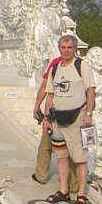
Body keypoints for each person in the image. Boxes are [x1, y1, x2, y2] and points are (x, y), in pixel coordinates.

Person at [42, 34, 96, 204]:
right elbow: (50, 95)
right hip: (58, 119)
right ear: (59, 49)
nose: (66, 51)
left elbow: (90, 91)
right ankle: (64, 190)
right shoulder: (55, 68)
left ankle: (81, 194)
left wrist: (89, 113)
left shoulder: (82, 66)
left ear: (75, 49)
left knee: (80, 158)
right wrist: (46, 119)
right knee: (61, 157)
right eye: (63, 48)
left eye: (69, 48)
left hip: (77, 119)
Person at [32, 54, 79, 193]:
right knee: (72, 149)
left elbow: (44, 88)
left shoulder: (56, 63)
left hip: (58, 114)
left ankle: (41, 175)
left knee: (46, 145)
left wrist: (37, 107)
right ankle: (74, 185)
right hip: (72, 113)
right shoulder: (80, 65)